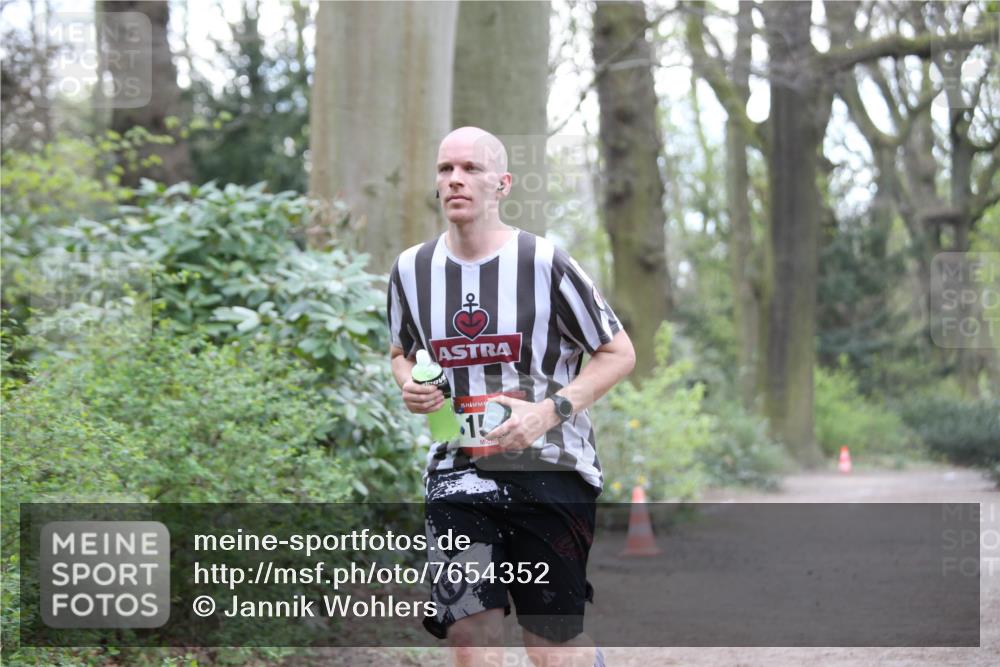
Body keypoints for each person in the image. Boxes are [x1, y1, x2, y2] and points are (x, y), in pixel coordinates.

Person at [387, 127, 635, 667]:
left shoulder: (545, 264)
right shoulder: (411, 270)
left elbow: (618, 353)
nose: (455, 179)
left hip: (551, 469)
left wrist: (549, 411)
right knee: (469, 635)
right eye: (445, 169)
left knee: (549, 648)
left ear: (501, 184)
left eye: (471, 169)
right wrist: (408, 382)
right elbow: (400, 350)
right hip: (456, 469)